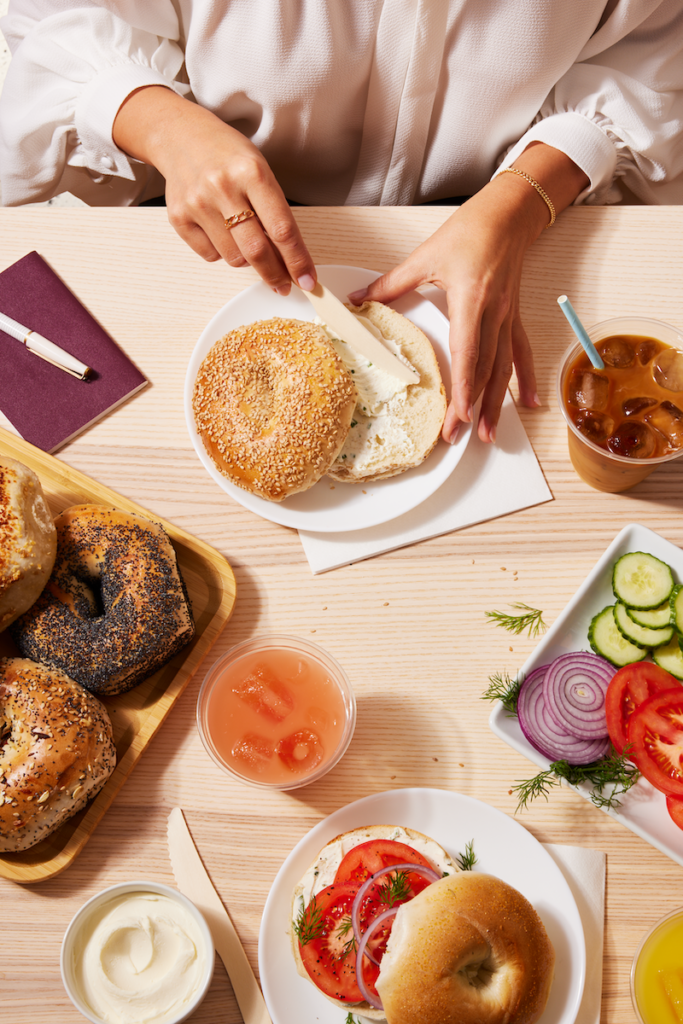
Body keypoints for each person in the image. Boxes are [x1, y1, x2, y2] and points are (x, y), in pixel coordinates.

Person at [1, 1, 682, 445]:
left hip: (495, 227)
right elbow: (50, 22)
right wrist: (159, 120)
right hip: (206, 238)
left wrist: (521, 203)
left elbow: (645, 63)